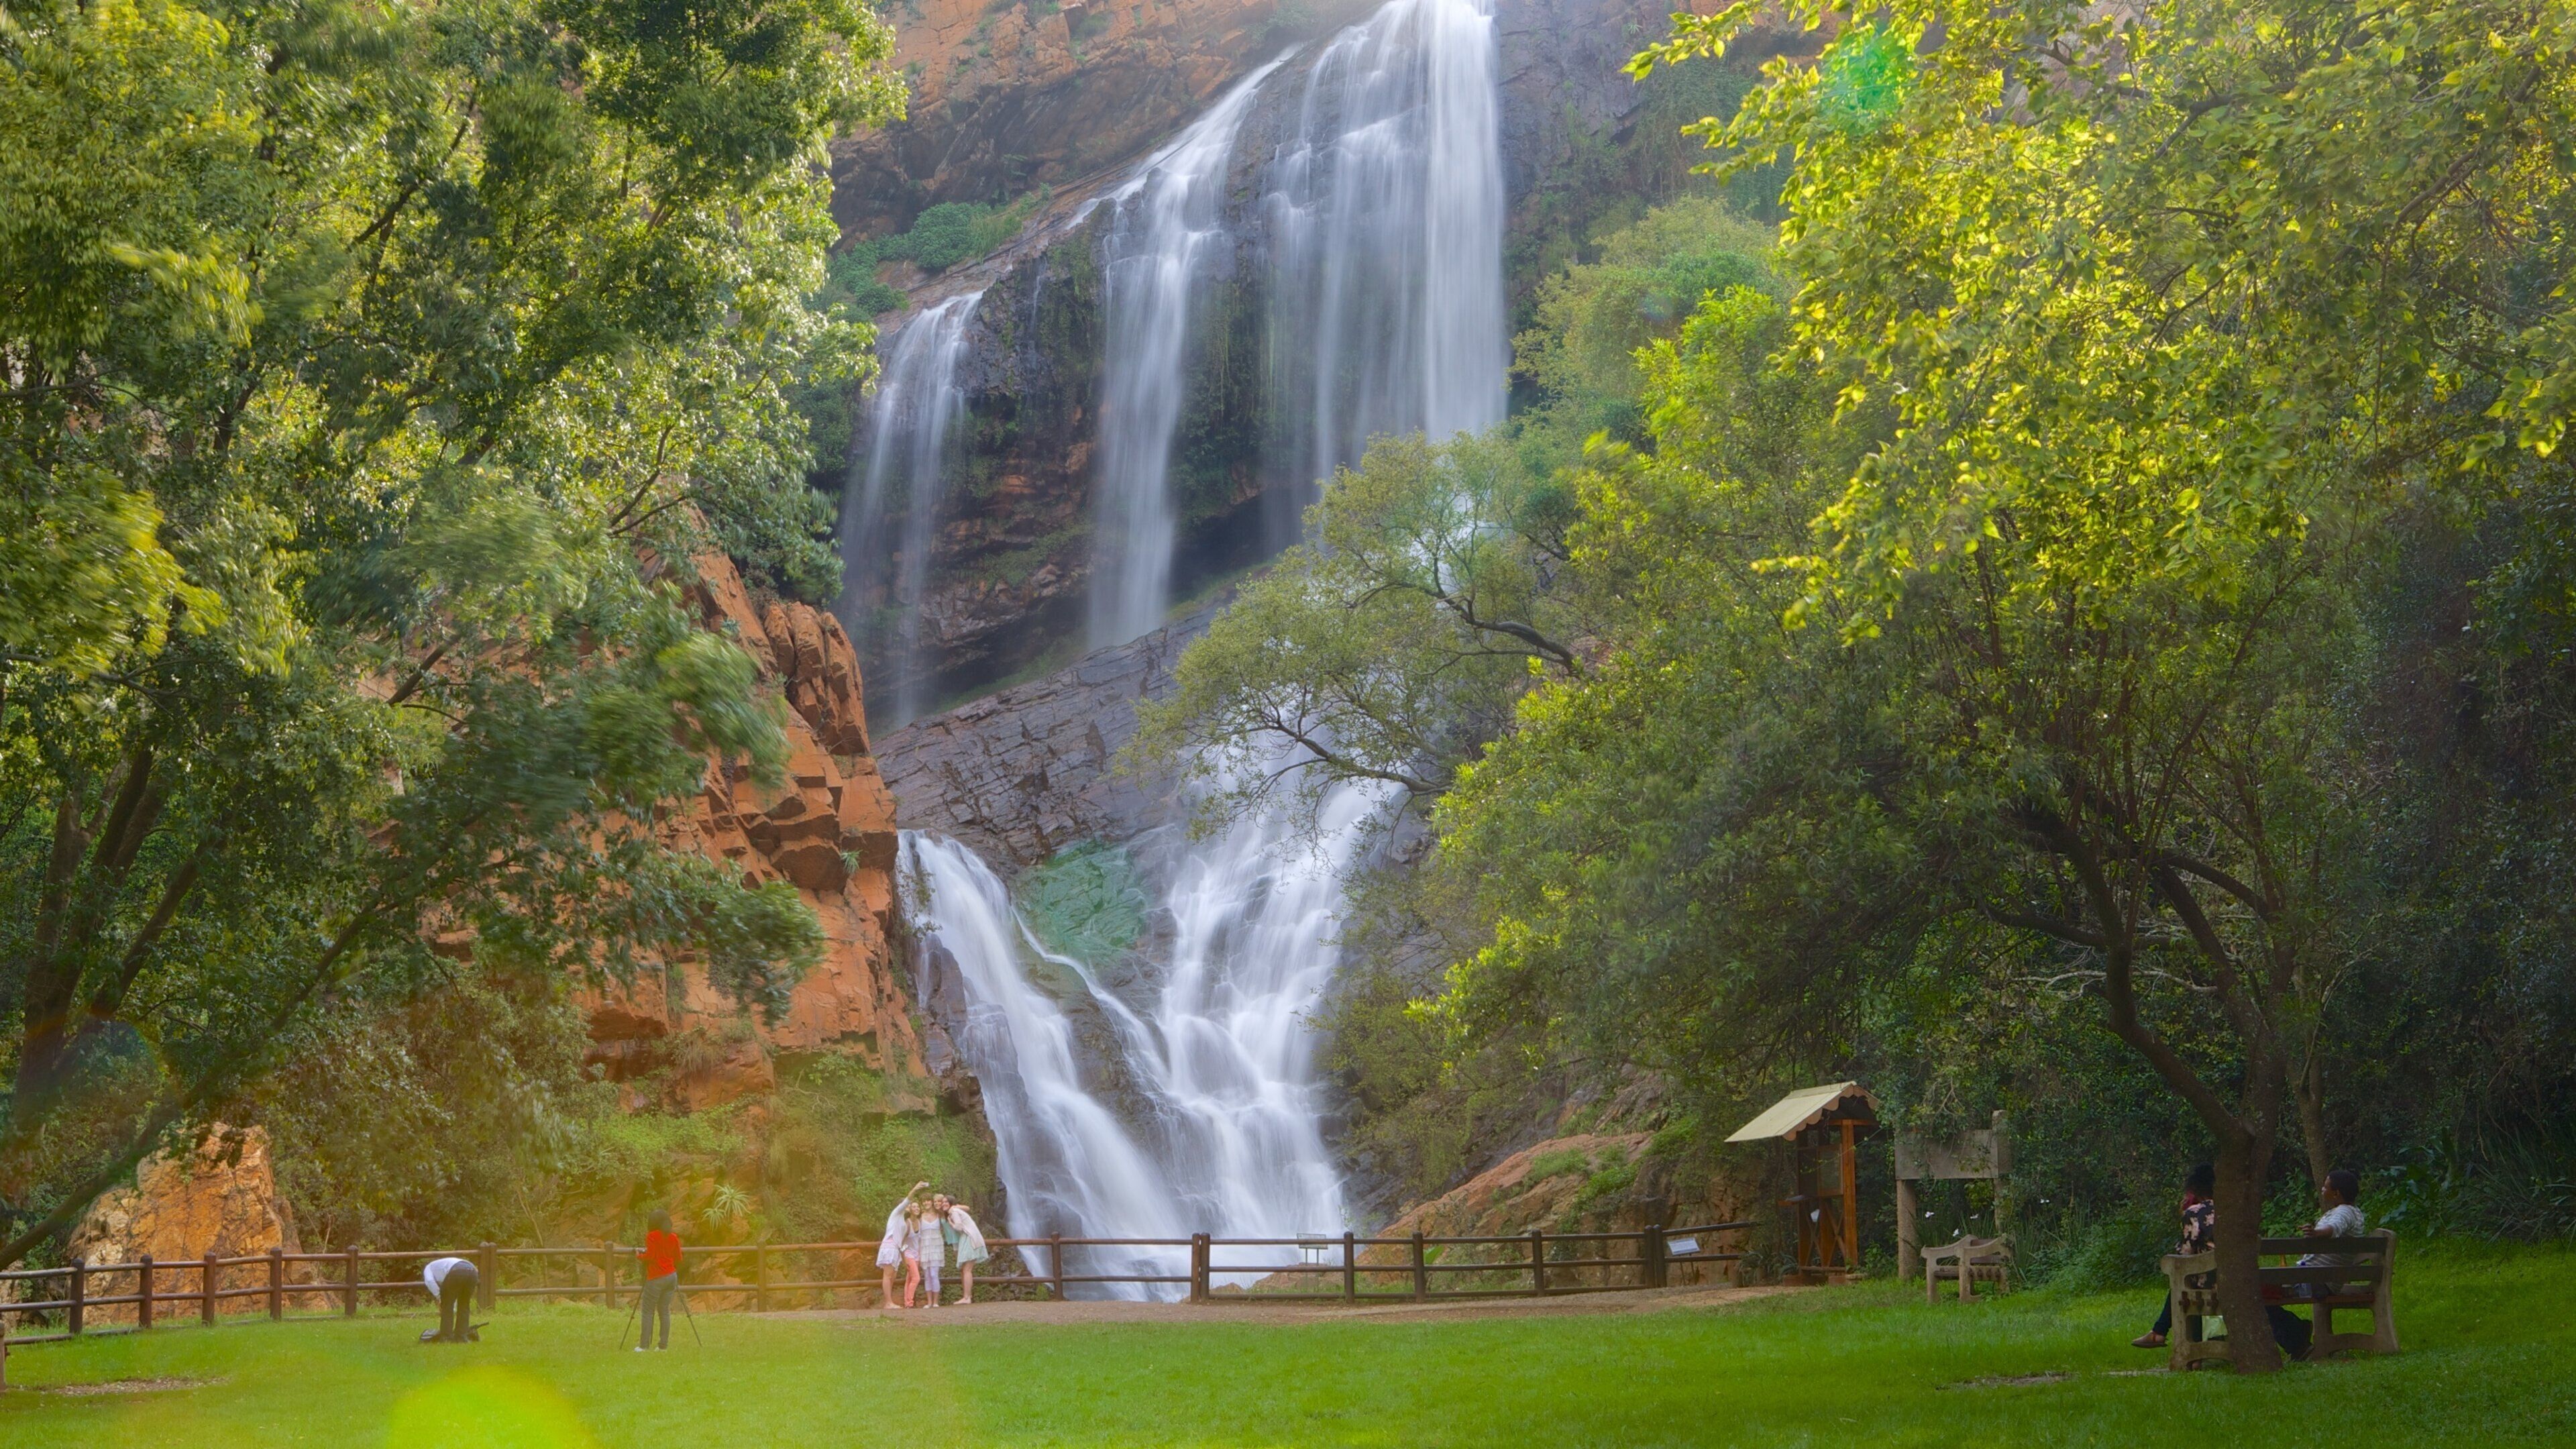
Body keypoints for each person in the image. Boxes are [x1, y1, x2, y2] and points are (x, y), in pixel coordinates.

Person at [2267, 1167, 2368, 1361]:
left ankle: (2297, 1339)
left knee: (2259, 1295)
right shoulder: (2348, 1212)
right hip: (2316, 1278)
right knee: (2262, 1291)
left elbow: (2335, 1228)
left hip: (2319, 1282)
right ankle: (2297, 1334)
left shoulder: (2345, 1212)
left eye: (2325, 1187)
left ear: (2336, 1193)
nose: (2322, 1190)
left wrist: (2316, 1234)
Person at [2132, 1163, 2216, 1349]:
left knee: (2184, 1281)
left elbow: (2186, 1253)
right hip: (2241, 1277)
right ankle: (2159, 1333)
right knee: (2187, 1281)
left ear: (2196, 1188)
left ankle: (2160, 1333)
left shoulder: (2195, 1213)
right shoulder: (2235, 1211)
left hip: (2211, 1281)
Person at [634, 1208, 683, 1351]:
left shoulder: (652, 1236)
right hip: (671, 1276)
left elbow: (650, 1257)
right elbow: (679, 1257)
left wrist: (639, 1255)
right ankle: (663, 1346)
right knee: (664, 1311)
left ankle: (644, 1346)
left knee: (648, 1311)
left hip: (656, 1277)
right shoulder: (674, 1237)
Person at [879, 1181, 927, 1308]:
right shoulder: (896, 1213)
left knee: (892, 1276)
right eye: (908, 1205)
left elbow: (903, 1242)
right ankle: (888, 1303)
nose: (909, 1206)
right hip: (889, 1246)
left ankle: (890, 1302)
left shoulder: (901, 1219)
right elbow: (908, 1199)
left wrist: (903, 1254)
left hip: (896, 1248)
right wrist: (915, 1188)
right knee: (888, 1275)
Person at [935, 1194, 989, 1305]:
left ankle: (967, 1297)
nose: (944, 1204)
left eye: (946, 1202)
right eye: (943, 1202)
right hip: (970, 1238)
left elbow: (959, 1227)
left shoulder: (954, 1212)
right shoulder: (951, 1212)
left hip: (969, 1238)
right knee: (966, 1269)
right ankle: (967, 1296)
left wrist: (951, 1222)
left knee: (967, 1269)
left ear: (951, 1203)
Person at [421, 1254, 479, 1344]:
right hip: (473, 1271)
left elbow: (430, 1281)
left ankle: (446, 1338)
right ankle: (462, 1337)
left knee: (447, 1306)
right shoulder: (445, 1265)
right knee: (464, 1305)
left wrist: (440, 1298)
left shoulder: (428, 1268)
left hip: (457, 1271)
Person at [906, 1197, 947, 1307]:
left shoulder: (939, 1215)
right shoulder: (920, 1217)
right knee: (927, 1276)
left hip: (936, 1248)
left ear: (932, 1202)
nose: (926, 1203)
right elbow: (914, 1233)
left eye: (928, 1200)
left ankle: (936, 1302)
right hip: (924, 1248)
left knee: (934, 1274)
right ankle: (929, 1303)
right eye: (924, 1201)